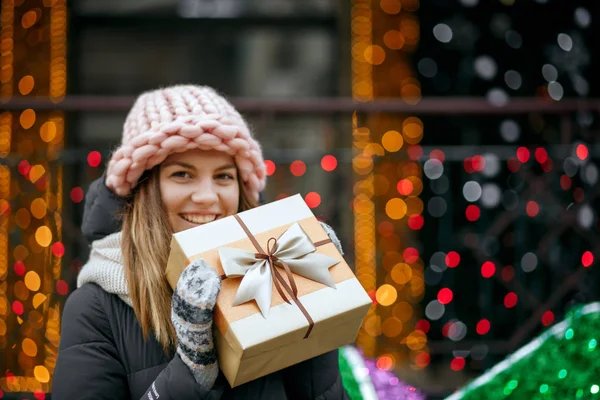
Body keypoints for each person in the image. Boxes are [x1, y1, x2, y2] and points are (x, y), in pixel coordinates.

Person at [52, 85, 349, 399]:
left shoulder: (273, 281)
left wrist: (315, 309)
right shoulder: (95, 307)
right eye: (182, 174)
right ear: (144, 187)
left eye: (223, 176)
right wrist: (192, 369)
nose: (207, 197)